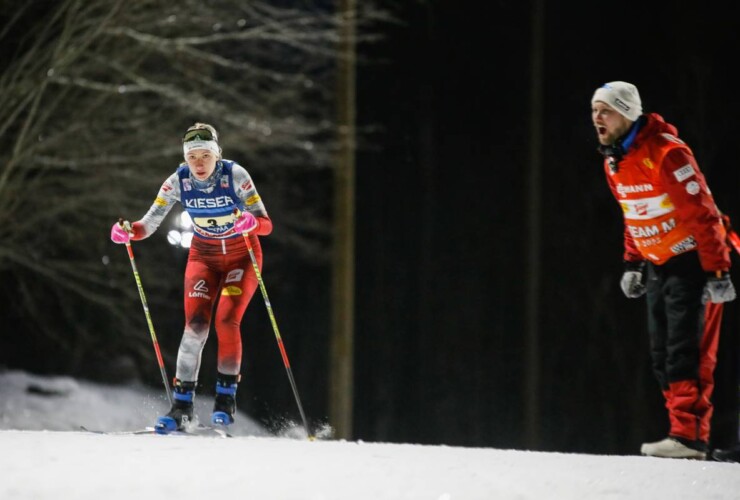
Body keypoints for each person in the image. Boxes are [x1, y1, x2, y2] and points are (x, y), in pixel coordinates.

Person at [591, 81, 736, 459]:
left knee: (687, 352)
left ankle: (689, 436)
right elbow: (635, 213)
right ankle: (683, 434)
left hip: (696, 261)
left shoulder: (667, 153)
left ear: (626, 112)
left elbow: (703, 213)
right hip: (661, 263)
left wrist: (718, 272)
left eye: (605, 110)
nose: (596, 117)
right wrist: (633, 261)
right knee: (661, 354)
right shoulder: (614, 161)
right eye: (593, 110)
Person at [110, 122, 273, 433]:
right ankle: (181, 407)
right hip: (204, 257)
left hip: (242, 256)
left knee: (226, 319)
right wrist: (127, 231)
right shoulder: (177, 181)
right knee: (196, 326)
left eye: (205, 155)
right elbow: (148, 224)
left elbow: (266, 224)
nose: (198, 163)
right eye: (192, 156)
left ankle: (225, 400)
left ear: (217, 155)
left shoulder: (235, 175)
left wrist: (251, 222)